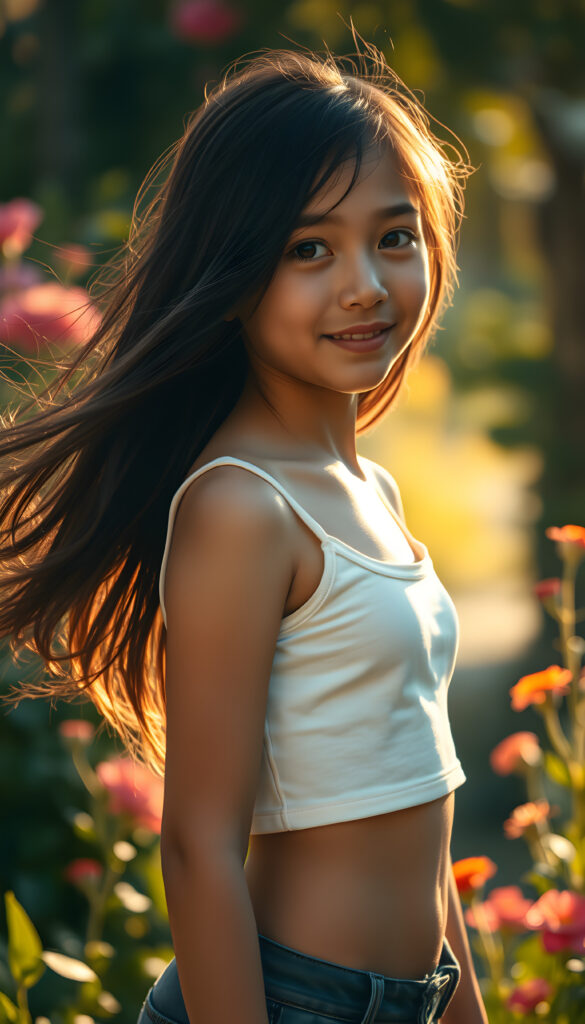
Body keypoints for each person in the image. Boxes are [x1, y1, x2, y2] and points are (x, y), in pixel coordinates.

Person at [0, 37, 487, 1024]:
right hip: (287, 1002)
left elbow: (417, 793)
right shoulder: (242, 505)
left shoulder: (372, 493)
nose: (363, 284)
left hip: (407, 997)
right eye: (309, 249)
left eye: (394, 237)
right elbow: (199, 843)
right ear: (234, 274)